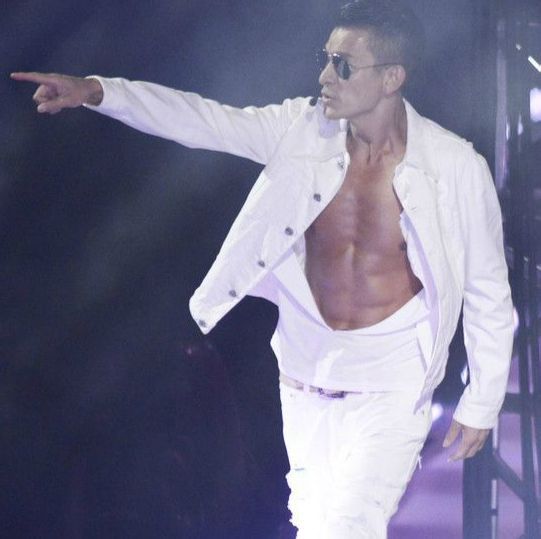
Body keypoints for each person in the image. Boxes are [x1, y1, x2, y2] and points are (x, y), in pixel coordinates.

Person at [12, 1, 514, 537]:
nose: (325, 76)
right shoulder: (300, 130)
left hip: (392, 383)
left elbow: (488, 291)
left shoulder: (455, 168)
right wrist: (97, 91)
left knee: (348, 526)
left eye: (344, 65)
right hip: (304, 373)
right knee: (313, 521)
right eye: (325, 59)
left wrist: (482, 401)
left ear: (392, 78)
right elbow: (203, 120)